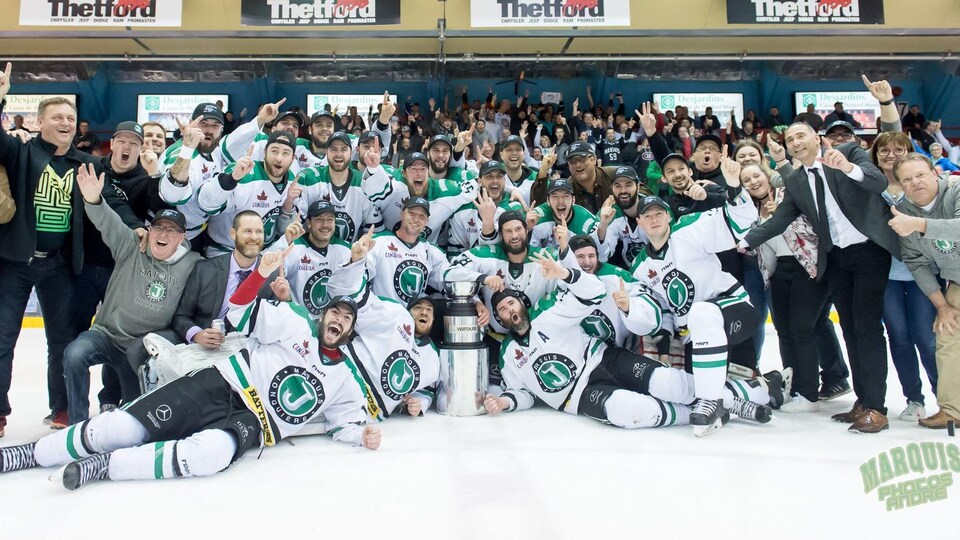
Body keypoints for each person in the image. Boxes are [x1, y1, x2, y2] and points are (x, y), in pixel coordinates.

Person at [0, 249, 379, 490]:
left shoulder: (345, 377)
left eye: (346, 318)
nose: (339, 320)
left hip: (253, 424)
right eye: (334, 312)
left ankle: (105, 466)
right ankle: (31, 454)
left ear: (350, 329)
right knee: (121, 427)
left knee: (206, 458)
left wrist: (361, 436)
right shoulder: (295, 326)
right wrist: (259, 276)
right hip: (221, 384)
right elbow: (237, 312)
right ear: (323, 315)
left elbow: (343, 422)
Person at [486, 253, 780, 436]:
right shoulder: (508, 354)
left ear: (522, 303)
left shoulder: (548, 315)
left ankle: (747, 394)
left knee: (667, 383)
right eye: (501, 310)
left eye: (511, 302)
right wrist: (504, 402)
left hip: (605, 360)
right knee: (629, 411)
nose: (508, 310)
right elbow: (522, 392)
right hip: (577, 397)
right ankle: (709, 411)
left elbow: (593, 291)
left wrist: (564, 273)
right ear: (499, 319)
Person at [742, 122, 897, 434]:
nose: (796, 142)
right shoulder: (797, 180)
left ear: (817, 138)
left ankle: (877, 408)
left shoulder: (848, 151)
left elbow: (878, 182)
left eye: (802, 135)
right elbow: (782, 217)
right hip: (836, 257)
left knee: (866, 327)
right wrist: (748, 240)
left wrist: (850, 168)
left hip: (869, 251)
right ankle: (864, 401)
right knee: (850, 330)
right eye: (790, 139)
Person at [0, 63, 105, 435]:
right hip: (14, 263)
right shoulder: (21, 153)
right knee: (2, 336)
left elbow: (114, 200)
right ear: (40, 122)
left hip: (60, 267)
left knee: (63, 341)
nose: (65, 122)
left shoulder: (88, 164)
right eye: (57, 116)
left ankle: (63, 409)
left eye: (70, 118)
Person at [629, 153, 763, 435]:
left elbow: (741, 222)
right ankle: (754, 396)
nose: (654, 219)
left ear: (668, 215)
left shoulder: (690, 229)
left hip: (733, 310)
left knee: (702, 313)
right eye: (647, 216)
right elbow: (662, 311)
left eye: (659, 213)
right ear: (639, 222)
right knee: (691, 388)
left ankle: (714, 401)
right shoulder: (641, 266)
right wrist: (664, 349)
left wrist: (734, 186)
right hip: (694, 336)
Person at [65, 163, 200, 425]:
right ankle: (77, 424)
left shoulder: (193, 263)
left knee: (131, 414)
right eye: (159, 228)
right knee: (74, 354)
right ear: (149, 231)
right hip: (105, 334)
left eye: (171, 230)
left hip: (139, 348)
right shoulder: (131, 246)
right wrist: (93, 198)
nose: (163, 234)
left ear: (181, 238)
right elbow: (107, 221)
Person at [325, 232, 441, 420]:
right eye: (418, 308)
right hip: (340, 385)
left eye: (429, 310)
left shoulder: (432, 357)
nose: (424, 313)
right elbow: (350, 295)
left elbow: (427, 389)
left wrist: (419, 403)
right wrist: (356, 261)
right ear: (407, 312)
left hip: (367, 417)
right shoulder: (394, 316)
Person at [741, 161, 821, 412]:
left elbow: (812, 227)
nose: (753, 182)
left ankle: (809, 394)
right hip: (779, 273)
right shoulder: (751, 213)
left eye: (756, 175)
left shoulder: (788, 195)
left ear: (766, 175)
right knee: (785, 331)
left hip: (806, 267)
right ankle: (794, 388)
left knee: (801, 329)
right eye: (747, 180)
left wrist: (780, 214)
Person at [888, 153, 960, 429]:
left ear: (935, 172)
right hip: (956, 281)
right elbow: (917, 264)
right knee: (948, 338)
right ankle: (952, 410)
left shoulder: (956, 189)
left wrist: (919, 225)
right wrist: (942, 306)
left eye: (920, 175)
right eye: (907, 179)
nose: (915, 182)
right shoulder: (903, 211)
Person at [871, 132, 938, 421]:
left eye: (899, 149)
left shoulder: (919, 184)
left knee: (926, 338)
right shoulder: (871, 188)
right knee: (898, 338)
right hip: (887, 276)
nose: (891, 154)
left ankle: (947, 398)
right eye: (884, 150)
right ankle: (914, 398)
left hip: (924, 273)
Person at [158, 99, 283, 243]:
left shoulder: (214, 150)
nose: (209, 130)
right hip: (172, 236)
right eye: (203, 124)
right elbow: (172, 195)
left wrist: (260, 119)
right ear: (192, 123)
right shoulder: (180, 153)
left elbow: (235, 141)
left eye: (215, 125)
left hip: (200, 232)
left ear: (222, 128)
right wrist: (187, 148)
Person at [172, 210, 264, 348]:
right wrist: (197, 334)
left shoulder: (271, 275)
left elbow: (279, 325)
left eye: (259, 231)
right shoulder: (205, 269)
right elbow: (181, 316)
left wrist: (286, 298)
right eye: (248, 231)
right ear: (233, 233)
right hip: (203, 348)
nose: (254, 237)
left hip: (246, 351)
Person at [198, 131, 297, 256]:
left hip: (260, 255)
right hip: (224, 253)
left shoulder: (291, 181)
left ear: (293, 159)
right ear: (264, 152)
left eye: (285, 153)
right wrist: (232, 178)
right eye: (274, 151)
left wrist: (289, 204)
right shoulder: (243, 172)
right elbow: (206, 204)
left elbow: (281, 230)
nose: (278, 158)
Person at [364, 197, 448, 305]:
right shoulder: (378, 242)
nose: (416, 219)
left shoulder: (431, 251)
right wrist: (356, 258)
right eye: (412, 214)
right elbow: (358, 277)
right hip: (383, 315)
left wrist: (475, 299)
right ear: (402, 214)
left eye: (422, 216)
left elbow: (449, 276)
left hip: (414, 317)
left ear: (426, 222)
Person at [448, 160, 524, 256]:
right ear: (479, 181)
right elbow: (455, 251)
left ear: (504, 180)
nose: (495, 181)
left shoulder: (514, 208)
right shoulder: (464, 208)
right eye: (489, 176)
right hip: (470, 267)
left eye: (499, 176)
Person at [531, 141, 616, 214]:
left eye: (582, 159)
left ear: (594, 159)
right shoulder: (567, 188)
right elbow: (539, 208)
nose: (578, 165)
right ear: (568, 164)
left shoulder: (613, 175)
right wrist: (543, 170)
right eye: (572, 161)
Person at [596, 165, 652, 268]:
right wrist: (603, 225)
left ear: (638, 187)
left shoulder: (655, 209)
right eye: (617, 186)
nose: (623, 191)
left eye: (628, 185)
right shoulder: (609, 214)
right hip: (627, 273)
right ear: (611, 188)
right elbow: (602, 257)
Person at [527, 178, 601, 252]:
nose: (560, 202)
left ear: (573, 200)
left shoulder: (586, 221)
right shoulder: (536, 217)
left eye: (565, 196)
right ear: (548, 201)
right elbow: (526, 253)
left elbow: (599, 256)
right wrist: (528, 230)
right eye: (555, 197)